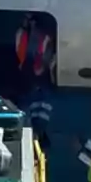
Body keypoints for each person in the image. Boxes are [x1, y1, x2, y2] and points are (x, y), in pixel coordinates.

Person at [14, 14, 56, 150]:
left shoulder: (38, 122)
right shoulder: (40, 122)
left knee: (27, 50)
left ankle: (29, 24)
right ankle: (33, 24)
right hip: (38, 83)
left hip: (35, 84)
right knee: (32, 51)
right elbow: (41, 101)